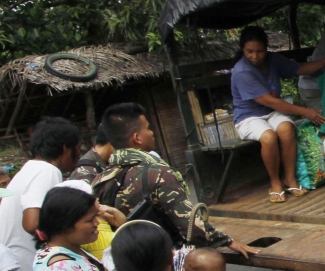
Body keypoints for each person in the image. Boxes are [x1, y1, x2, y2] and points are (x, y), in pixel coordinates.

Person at [94, 103, 257, 257]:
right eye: (148, 128)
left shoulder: (99, 180)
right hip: (164, 259)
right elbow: (190, 226)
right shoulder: (157, 173)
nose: (151, 133)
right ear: (137, 138)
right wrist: (228, 241)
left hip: (130, 260)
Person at [230, 26, 325, 202]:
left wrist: (322, 62)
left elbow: (300, 69)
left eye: (259, 51)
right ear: (243, 50)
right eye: (249, 51)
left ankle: (290, 178)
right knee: (269, 137)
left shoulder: (273, 60)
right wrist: (306, 112)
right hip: (248, 117)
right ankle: (276, 182)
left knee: (286, 128)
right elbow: (270, 101)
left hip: (271, 113)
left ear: (266, 48)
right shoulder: (242, 72)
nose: (255, 56)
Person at [0, 116, 82, 271]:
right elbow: (32, 223)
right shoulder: (46, 171)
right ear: (65, 148)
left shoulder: (29, 169)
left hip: (14, 267)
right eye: (77, 148)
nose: (79, 155)